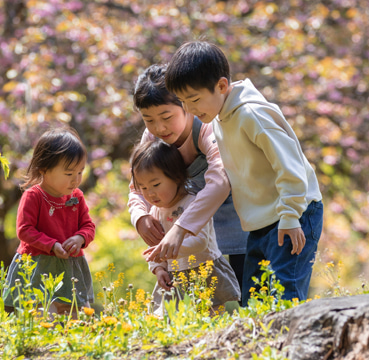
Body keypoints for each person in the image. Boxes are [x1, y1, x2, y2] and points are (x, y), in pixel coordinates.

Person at [164, 40, 323, 305]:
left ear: (222, 86)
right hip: (261, 221)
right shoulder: (219, 118)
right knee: (253, 298)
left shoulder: (252, 115)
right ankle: (264, 347)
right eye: (183, 102)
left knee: (286, 293)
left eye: (194, 99)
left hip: (293, 213)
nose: (189, 109)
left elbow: (290, 166)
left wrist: (290, 215)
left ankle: (290, 346)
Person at [128, 64, 247, 293]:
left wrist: (181, 228)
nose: (158, 127)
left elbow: (220, 181)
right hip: (188, 222)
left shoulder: (206, 128)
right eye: (148, 119)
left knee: (244, 286)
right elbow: (137, 184)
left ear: (185, 105)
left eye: (166, 116)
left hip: (234, 211)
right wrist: (140, 216)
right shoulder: (152, 137)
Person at [130, 139, 240, 314]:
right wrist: (159, 268)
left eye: (156, 185)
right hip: (176, 275)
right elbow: (155, 246)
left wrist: (169, 250)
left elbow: (201, 241)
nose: (150, 193)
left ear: (176, 176)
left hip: (204, 269)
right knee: (174, 319)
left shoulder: (194, 203)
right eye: (142, 187)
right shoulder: (156, 211)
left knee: (212, 314)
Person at [4, 127, 96, 316]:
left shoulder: (76, 196)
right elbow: (24, 230)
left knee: (72, 310)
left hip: (69, 263)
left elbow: (88, 226)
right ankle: (44, 344)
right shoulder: (34, 196)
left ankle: (71, 342)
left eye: (80, 172)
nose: (76, 180)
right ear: (44, 170)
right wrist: (51, 245)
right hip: (38, 263)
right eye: (69, 174)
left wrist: (80, 238)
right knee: (40, 309)